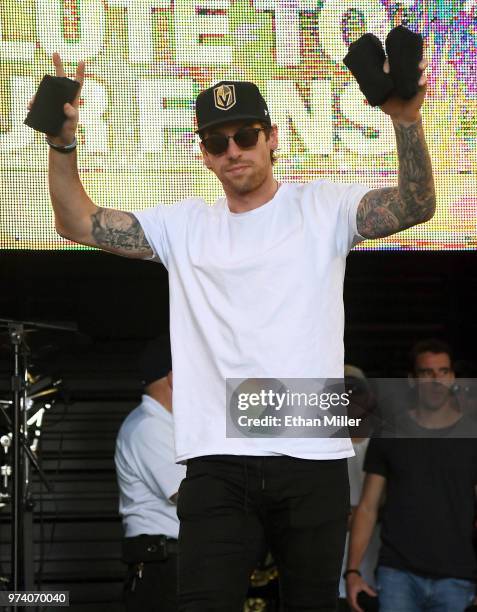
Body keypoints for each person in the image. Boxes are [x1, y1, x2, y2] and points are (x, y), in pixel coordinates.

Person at [37, 47, 436, 610]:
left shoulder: (322, 207)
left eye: (245, 135)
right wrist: (61, 145)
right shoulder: (185, 226)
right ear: (204, 155)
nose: (233, 151)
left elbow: (416, 205)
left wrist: (405, 120)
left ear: (273, 137)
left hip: (310, 459)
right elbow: (77, 221)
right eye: (217, 142)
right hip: (217, 463)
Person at [345, 339, 477, 612]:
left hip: (457, 575)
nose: (436, 380)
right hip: (397, 573)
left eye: (443, 371)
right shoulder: (390, 433)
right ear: (412, 380)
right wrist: (353, 572)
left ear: (452, 377)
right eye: (427, 373)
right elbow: (368, 507)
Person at [115, 338, 185, 612]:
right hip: (163, 568)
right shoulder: (149, 427)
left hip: (174, 565)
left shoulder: (166, 425)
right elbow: (186, 494)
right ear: (174, 378)